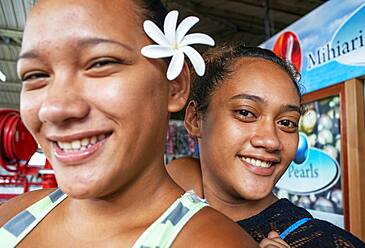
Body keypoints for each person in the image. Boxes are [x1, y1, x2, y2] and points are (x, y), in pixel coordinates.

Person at [0, 1, 260, 247]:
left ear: (175, 86)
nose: (55, 109)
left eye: (101, 63)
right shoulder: (11, 216)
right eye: (35, 75)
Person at [167, 44, 365, 247]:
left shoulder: (324, 242)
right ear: (195, 119)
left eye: (287, 122)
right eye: (245, 113)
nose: (271, 141)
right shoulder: (168, 204)